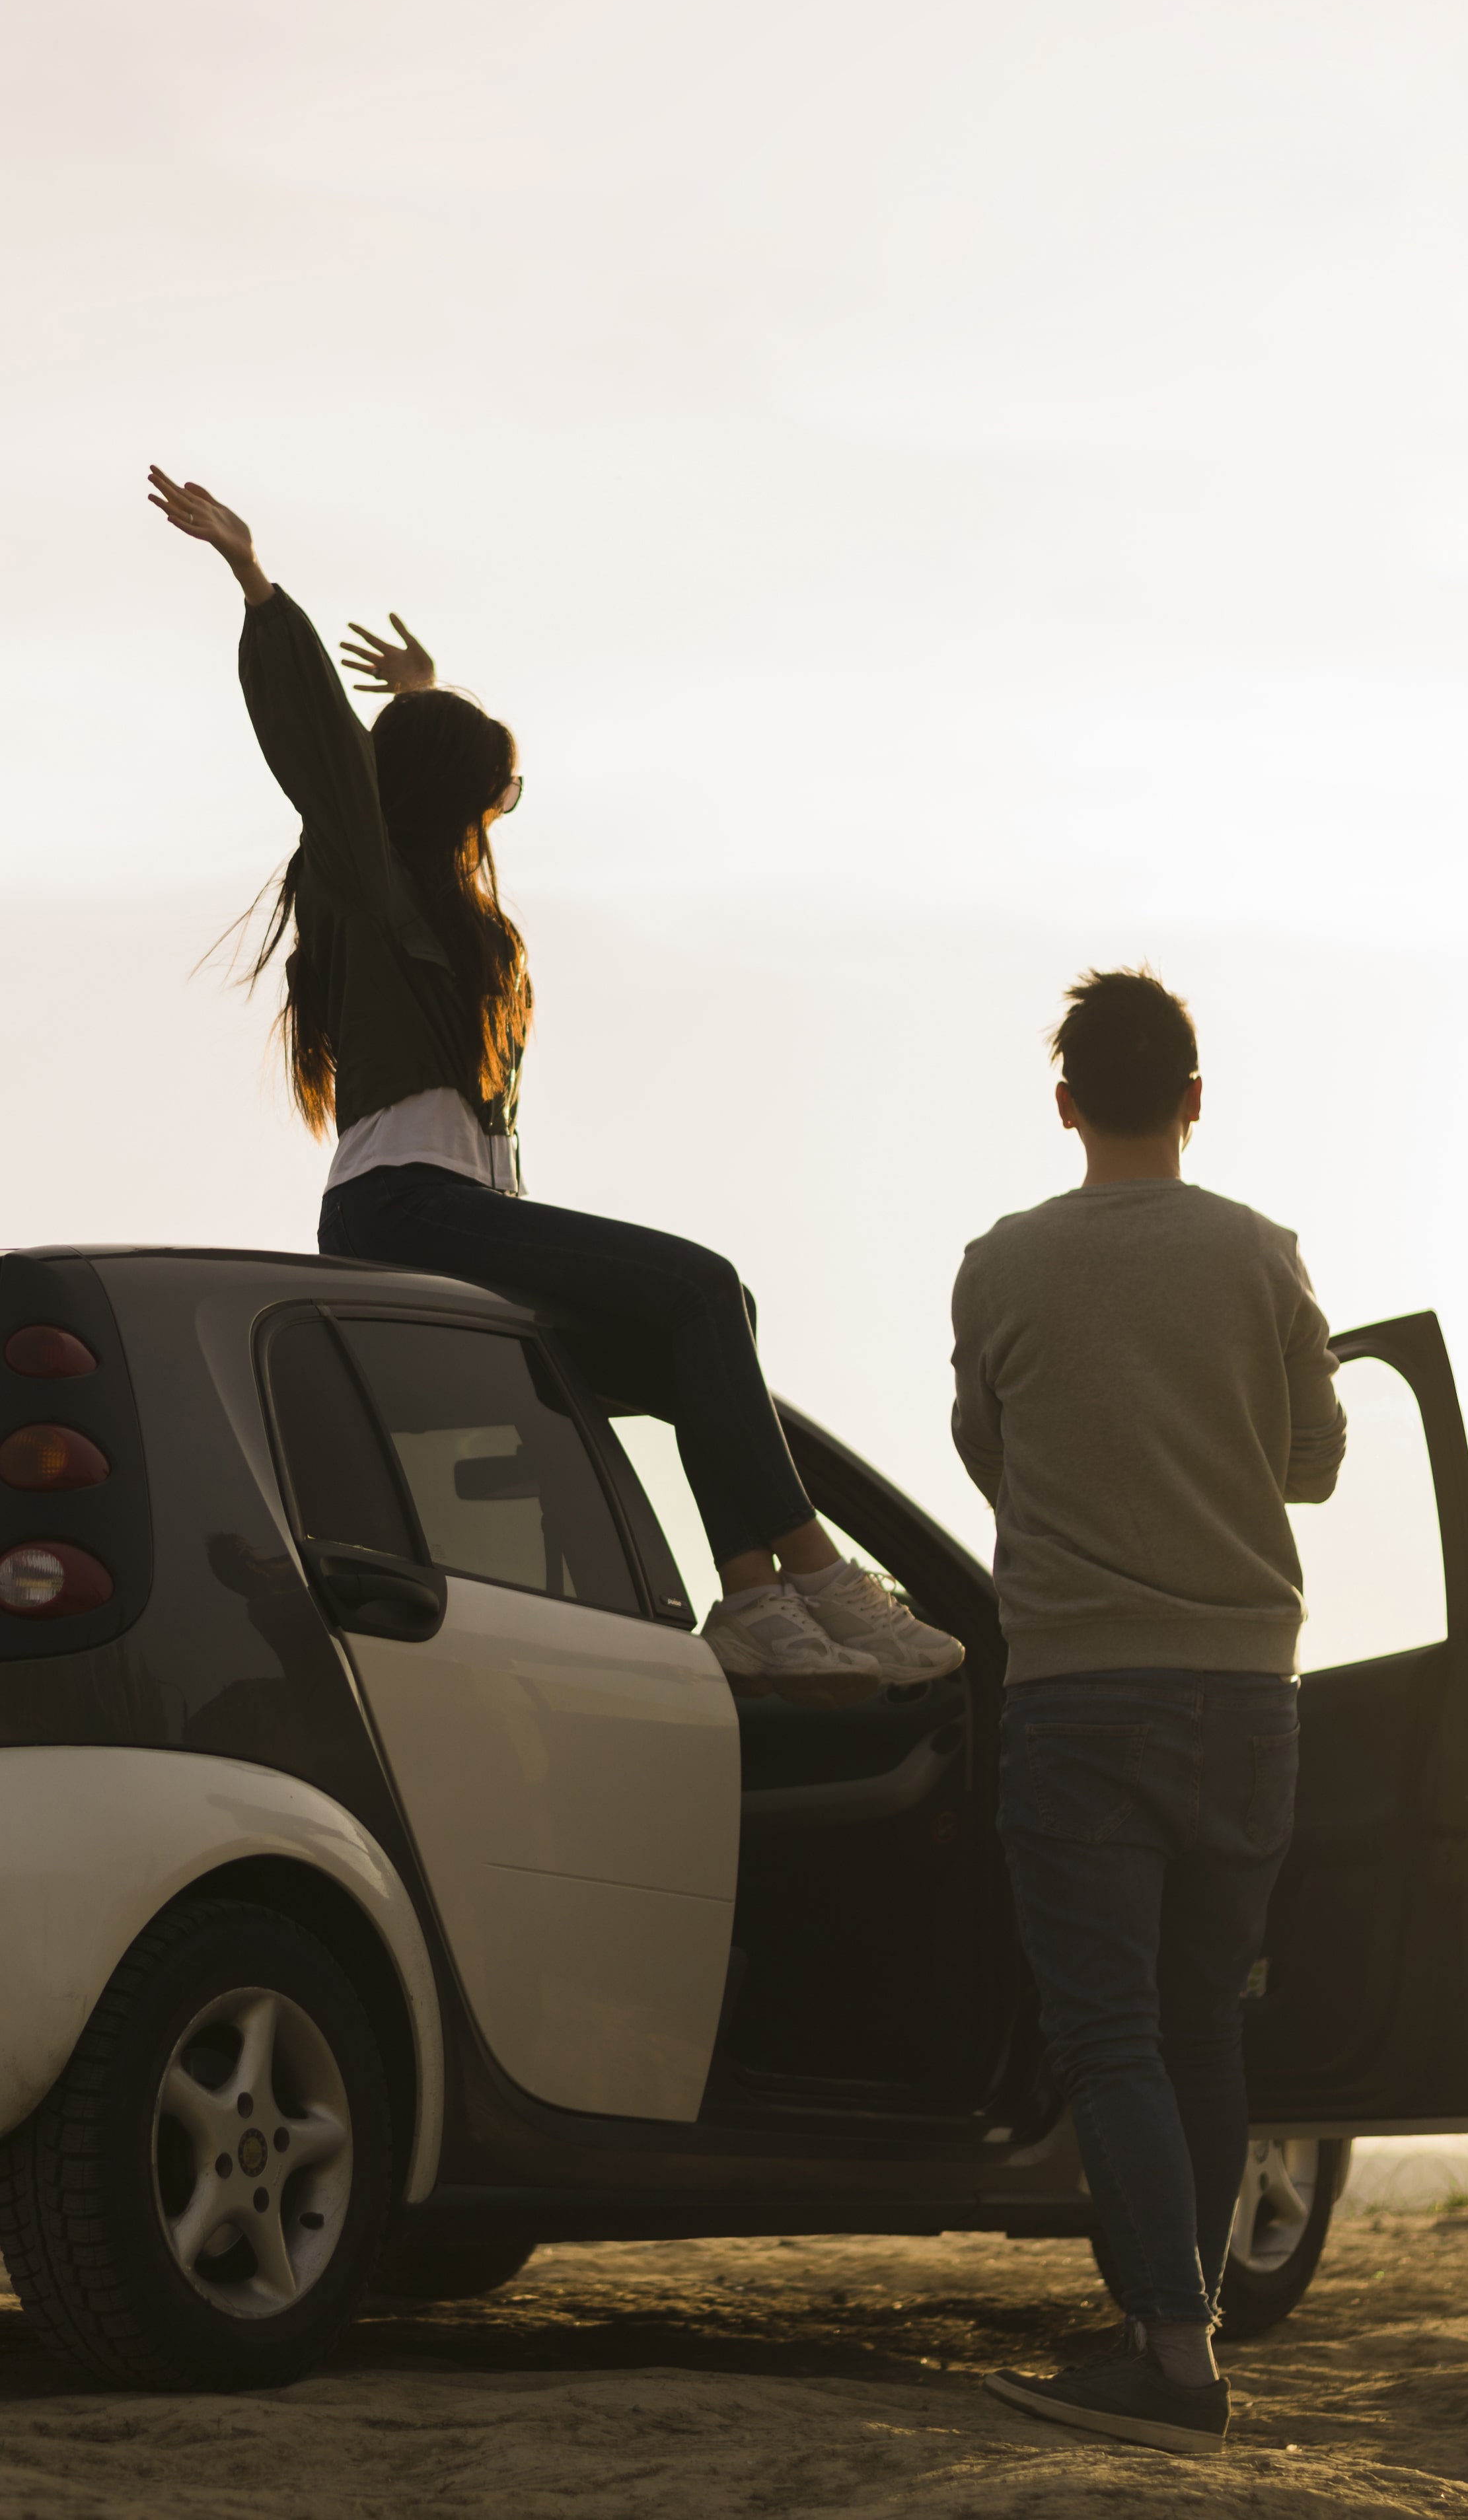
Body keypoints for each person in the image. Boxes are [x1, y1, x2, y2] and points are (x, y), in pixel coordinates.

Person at [149, 465, 960, 1706]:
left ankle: (751, 1597)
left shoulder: (439, 902)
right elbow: (327, 760)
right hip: (402, 1210)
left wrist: (422, 700)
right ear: (445, 804)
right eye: (494, 797)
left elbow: (413, 784)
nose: (499, 816)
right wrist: (257, 583)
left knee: (702, 1322)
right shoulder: (367, 883)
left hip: (458, 1214)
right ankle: (813, 1570)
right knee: (700, 1282)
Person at [957, 968, 1345, 2457]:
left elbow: (990, 1453)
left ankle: (1171, 2357)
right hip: (1250, 1693)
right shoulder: (1262, 1255)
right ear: (1193, 1099)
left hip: (1081, 1694)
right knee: (1198, 2024)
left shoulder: (1001, 1265)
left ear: (1064, 1104)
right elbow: (1313, 1463)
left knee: (1108, 2030)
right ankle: (1172, 2329)